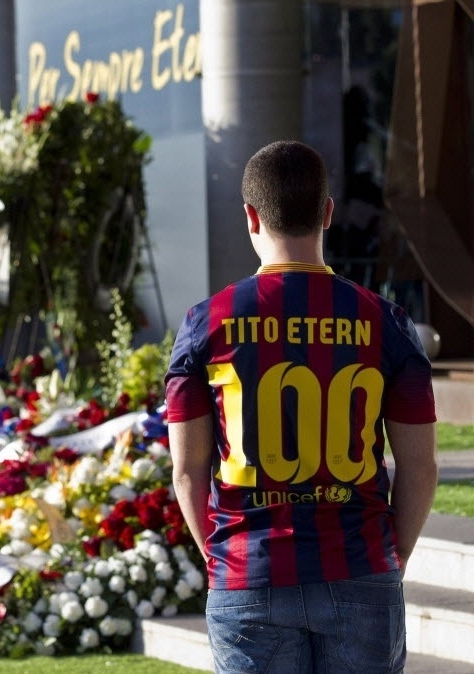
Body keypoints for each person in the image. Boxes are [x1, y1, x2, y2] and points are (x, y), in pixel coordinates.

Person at [165, 140, 438, 673]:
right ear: (329, 212)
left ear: (249, 216)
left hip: (248, 567)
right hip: (359, 563)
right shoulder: (387, 322)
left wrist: (220, 556)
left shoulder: (206, 323)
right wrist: (393, 556)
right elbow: (421, 465)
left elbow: (185, 471)